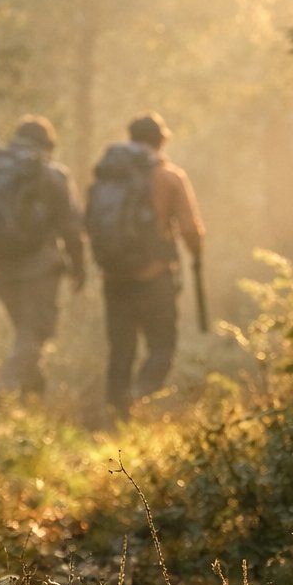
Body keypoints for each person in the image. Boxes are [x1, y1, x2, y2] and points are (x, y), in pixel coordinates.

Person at [87, 112, 205, 420]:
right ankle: (140, 396)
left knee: (120, 350)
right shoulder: (168, 176)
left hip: (114, 276)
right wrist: (195, 255)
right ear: (161, 140)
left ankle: (115, 418)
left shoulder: (110, 175)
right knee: (162, 346)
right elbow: (190, 229)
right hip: (155, 276)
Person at [0, 115, 85, 395]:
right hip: (39, 268)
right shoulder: (54, 175)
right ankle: (3, 386)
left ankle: (32, 396)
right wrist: (79, 268)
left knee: (25, 331)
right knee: (35, 332)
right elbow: (71, 227)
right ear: (48, 144)